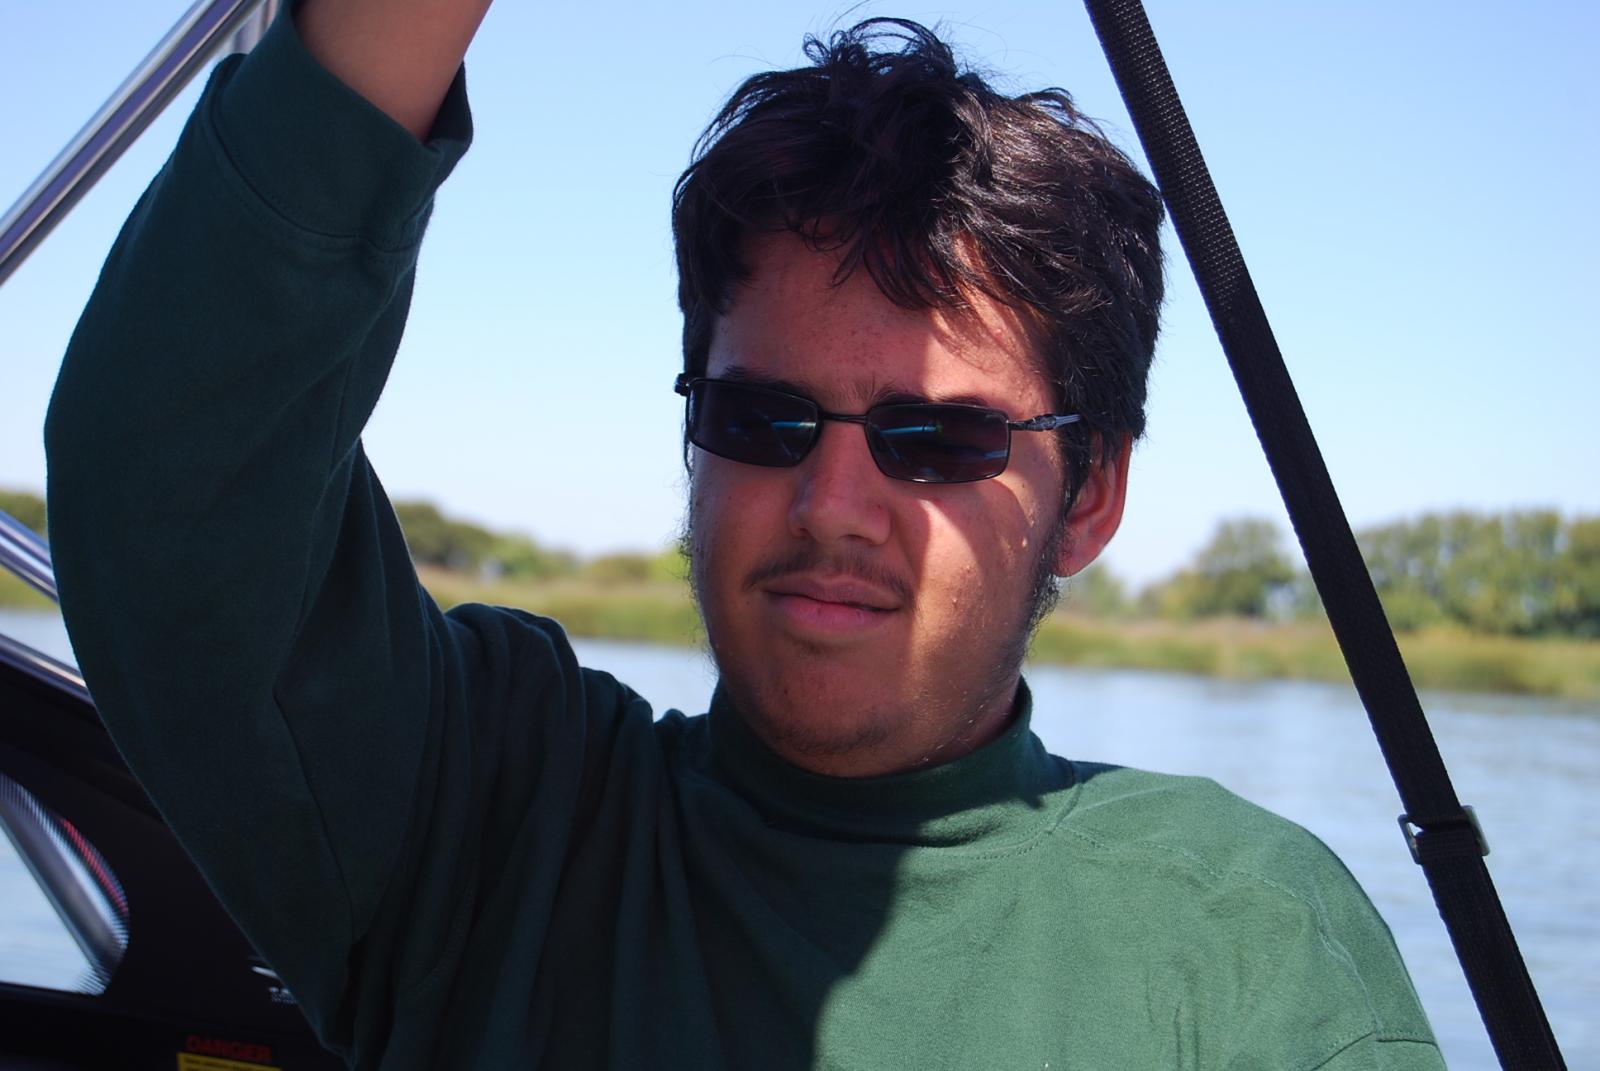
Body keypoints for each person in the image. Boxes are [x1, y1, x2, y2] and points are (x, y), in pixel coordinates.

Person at [44, 1, 1444, 1068]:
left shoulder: (1244, 933)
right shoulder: (491, 819)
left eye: (936, 439)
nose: (832, 505)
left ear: (1087, 497)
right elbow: (169, 477)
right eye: (764, 419)